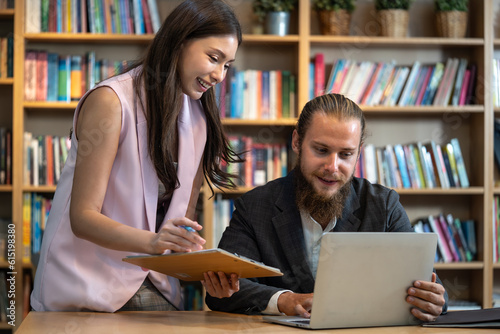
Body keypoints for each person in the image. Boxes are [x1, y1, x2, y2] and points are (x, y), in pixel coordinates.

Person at [31, 0, 241, 312]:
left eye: (227, 65)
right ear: (180, 42)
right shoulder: (111, 102)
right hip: (87, 286)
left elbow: (181, 228)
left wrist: (205, 268)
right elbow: (82, 218)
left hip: (156, 285)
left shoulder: (200, 121)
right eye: (214, 58)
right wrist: (154, 242)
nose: (220, 75)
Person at [205, 93, 448, 322]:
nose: (333, 167)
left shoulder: (383, 205)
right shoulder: (255, 205)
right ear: (297, 141)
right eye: (321, 150)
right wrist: (283, 301)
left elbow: (427, 286)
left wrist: (434, 300)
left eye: (346, 154)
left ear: (358, 153)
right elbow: (221, 290)